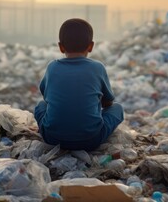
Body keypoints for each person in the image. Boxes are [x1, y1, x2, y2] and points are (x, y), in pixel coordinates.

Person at [34, 18, 124, 151]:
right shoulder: (97, 68)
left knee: (40, 105)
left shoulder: (52, 67)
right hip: (90, 140)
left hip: (52, 138)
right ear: (91, 46)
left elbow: (46, 98)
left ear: (60, 46)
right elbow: (108, 104)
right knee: (118, 108)